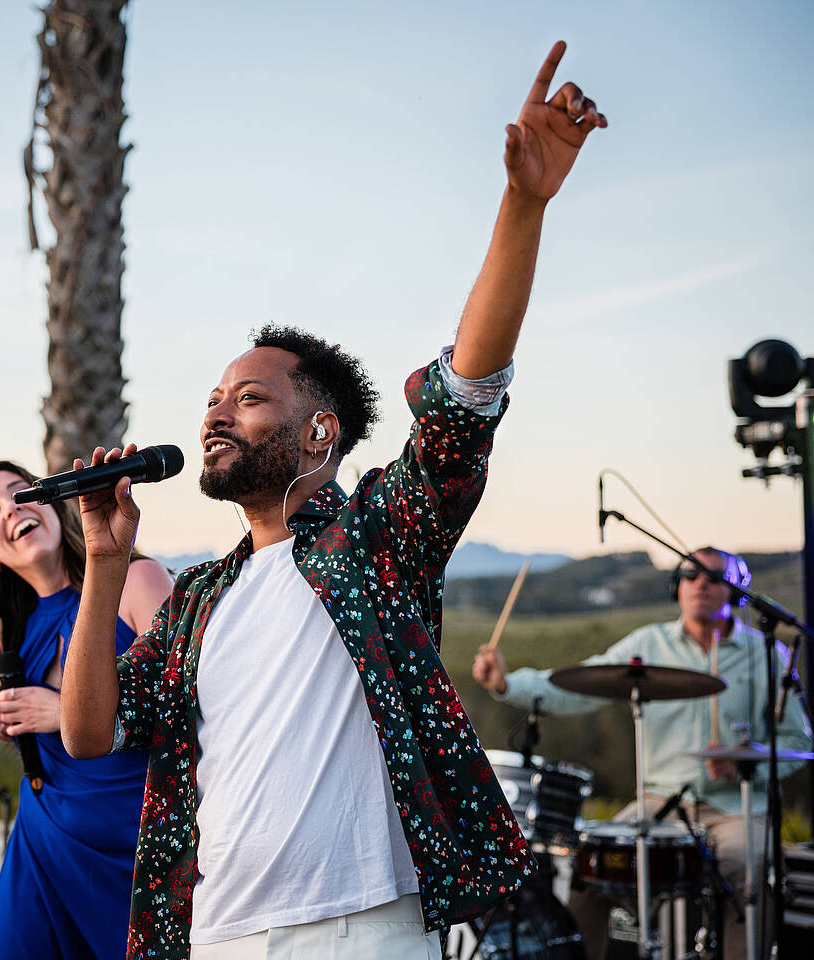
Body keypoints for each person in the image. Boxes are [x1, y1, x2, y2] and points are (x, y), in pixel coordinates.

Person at [59, 40, 606, 960]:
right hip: (215, 933)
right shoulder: (198, 601)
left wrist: (522, 206)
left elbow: (463, 400)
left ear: (319, 433)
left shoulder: (376, 541)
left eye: (250, 398)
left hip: (362, 932)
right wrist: (106, 565)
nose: (217, 414)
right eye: (212, 400)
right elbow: (89, 733)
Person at [471, 547, 813, 960]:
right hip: (656, 803)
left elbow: (799, 740)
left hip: (736, 809)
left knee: (746, 869)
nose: (700, 583)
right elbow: (575, 687)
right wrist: (508, 684)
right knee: (591, 867)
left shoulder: (767, 654)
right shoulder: (648, 643)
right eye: (690, 574)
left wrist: (747, 766)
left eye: (713, 575)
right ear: (677, 585)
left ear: (738, 589)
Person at [0, 460, 173, 960]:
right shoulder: (16, 628)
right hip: (42, 843)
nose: (10, 509)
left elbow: (194, 706)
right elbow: (1, 703)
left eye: (19, 493)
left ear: (51, 503)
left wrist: (67, 714)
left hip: (133, 848)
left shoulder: (139, 580)